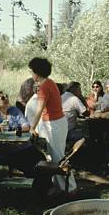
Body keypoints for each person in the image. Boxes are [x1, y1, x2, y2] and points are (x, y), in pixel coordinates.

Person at [0, 91, 49, 193]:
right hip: (4, 151)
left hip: (22, 147)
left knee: (40, 158)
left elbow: (26, 125)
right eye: (3, 98)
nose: (7, 98)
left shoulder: (14, 110)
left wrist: (14, 129)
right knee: (30, 165)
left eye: (7, 96)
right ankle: (39, 191)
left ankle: (45, 188)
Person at [28, 57, 77, 194]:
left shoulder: (45, 87)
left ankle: (70, 188)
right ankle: (59, 187)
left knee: (58, 158)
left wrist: (32, 127)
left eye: (32, 71)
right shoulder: (50, 83)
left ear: (37, 72)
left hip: (54, 124)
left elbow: (39, 109)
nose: (31, 74)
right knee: (53, 157)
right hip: (55, 123)